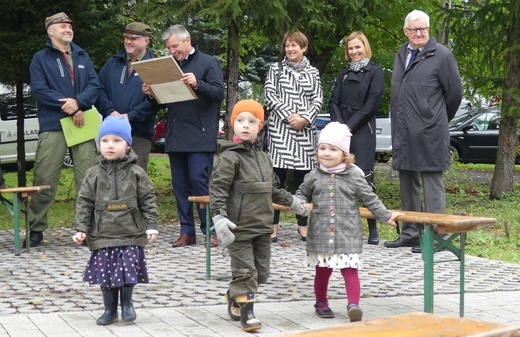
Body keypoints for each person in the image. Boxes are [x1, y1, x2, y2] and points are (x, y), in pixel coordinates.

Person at [209, 99, 308, 332]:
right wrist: (219, 216)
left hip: (263, 225)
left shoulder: (264, 158)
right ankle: (248, 315)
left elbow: (273, 189)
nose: (245, 125)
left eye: (251, 121)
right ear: (233, 124)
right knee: (245, 272)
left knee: (261, 274)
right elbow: (218, 189)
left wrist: (293, 202)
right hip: (238, 227)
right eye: (240, 120)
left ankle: (234, 294)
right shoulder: (228, 158)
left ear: (260, 127)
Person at [294, 122, 402, 322]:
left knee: (350, 269)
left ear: (344, 153)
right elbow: (301, 193)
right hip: (321, 232)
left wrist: (385, 216)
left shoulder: (353, 175)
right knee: (322, 270)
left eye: (333, 149)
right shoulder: (314, 175)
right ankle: (321, 302)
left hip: (347, 232)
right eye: (322, 148)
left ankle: (354, 305)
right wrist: (298, 203)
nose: (326, 153)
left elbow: (369, 198)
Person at [384, 9, 462, 253]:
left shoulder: (441, 55)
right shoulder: (401, 54)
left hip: (430, 132)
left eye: (423, 29)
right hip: (403, 130)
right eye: (414, 29)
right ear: (406, 31)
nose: (419, 33)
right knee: (407, 183)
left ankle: (437, 237)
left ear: (428, 30)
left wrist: (434, 117)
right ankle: (410, 233)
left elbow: (454, 94)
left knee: (431, 183)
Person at [143, 24, 225, 248]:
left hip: (200, 135)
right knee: (180, 186)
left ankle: (210, 230)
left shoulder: (208, 62)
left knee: (200, 183)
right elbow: (165, 101)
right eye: (169, 48)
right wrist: (151, 94)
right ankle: (186, 231)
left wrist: (198, 84)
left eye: (175, 46)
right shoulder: (170, 66)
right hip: (176, 133)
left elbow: (219, 93)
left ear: (187, 40)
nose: (172, 51)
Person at [72, 116, 159, 325]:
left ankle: (127, 304)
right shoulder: (92, 174)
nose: (110, 145)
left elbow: (148, 200)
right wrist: (81, 228)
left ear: (128, 145)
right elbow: (84, 202)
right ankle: (109, 309)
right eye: (105, 140)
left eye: (117, 141)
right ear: (99, 144)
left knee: (128, 271)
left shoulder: (137, 173)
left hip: (130, 233)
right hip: (102, 234)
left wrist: (151, 226)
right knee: (107, 274)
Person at [27, 12, 100, 248]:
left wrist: (78, 102)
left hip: (82, 123)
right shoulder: (40, 58)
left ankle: (85, 228)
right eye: (63, 26)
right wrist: (68, 106)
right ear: (51, 31)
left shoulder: (82, 55)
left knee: (87, 176)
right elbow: (40, 90)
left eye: (70, 25)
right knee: (45, 177)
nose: (68, 29)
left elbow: (94, 85)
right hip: (53, 124)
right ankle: (35, 228)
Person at [263, 30, 323, 242]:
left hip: (304, 132)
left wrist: (304, 118)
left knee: (304, 181)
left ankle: (302, 224)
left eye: (294, 45)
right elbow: (270, 94)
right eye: (287, 45)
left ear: (303, 48)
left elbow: (318, 99)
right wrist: (290, 116)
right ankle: (273, 225)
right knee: (275, 181)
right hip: (281, 131)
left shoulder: (313, 73)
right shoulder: (276, 69)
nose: (290, 49)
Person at [329, 31, 385, 245]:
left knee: (364, 179)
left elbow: (372, 104)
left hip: (363, 131)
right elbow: (333, 101)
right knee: (339, 177)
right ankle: (342, 226)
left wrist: (349, 127)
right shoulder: (342, 73)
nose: (354, 51)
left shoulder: (375, 72)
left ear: (365, 48)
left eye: (357, 47)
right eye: (350, 48)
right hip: (341, 130)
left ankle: (372, 227)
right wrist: (339, 125)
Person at [96, 22, 160, 172]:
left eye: (134, 38)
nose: (129, 41)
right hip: (112, 133)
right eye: (126, 37)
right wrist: (110, 111)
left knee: (135, 180)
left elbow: (157, 101)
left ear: (146, 41)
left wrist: (130, 116)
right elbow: (98, 89)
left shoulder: (154, 65)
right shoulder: (113, 63)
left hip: (138, 134)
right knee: (110, 179)